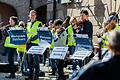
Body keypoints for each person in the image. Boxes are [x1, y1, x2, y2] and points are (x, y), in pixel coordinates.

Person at [26, 10, 42, 80]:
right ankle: (30, 76)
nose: (32, 16)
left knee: (36, 61)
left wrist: (31, 39)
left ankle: (36, 76)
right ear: (29, 16)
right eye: (31, 15)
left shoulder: (39, 23)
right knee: (30, 61)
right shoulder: (28, 23)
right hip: (28, 44)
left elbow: (39, 34)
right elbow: (27, 33)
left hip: (36, 44)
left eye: (33, 15)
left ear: (36, 16)